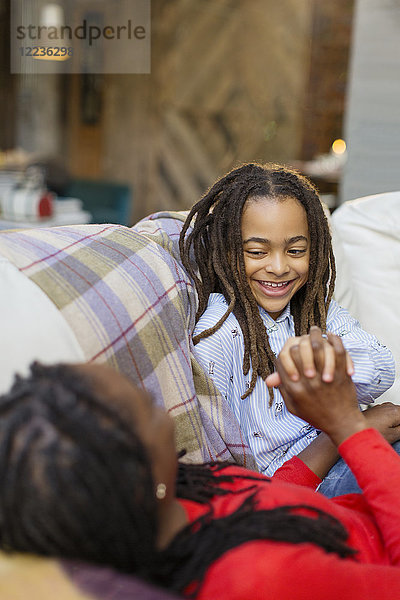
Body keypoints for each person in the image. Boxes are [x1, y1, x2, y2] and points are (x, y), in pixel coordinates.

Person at [2, 332, 400, 600]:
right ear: (144, 474)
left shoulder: (174, 499)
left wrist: (331, 436)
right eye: (148, 408)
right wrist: (347, 424)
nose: (157, 403)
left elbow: (268, 503)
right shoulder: (259, 576)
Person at [179, 162, 395, 476]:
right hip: (313, 480)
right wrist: (351, 428)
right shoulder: (219, 333)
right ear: (226, 252)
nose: (279, 267)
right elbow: (227, 464)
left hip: (357, 450)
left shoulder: (316, 310)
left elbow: (382, 372)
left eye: (295, 250)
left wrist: (323, 363)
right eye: (256, 252)